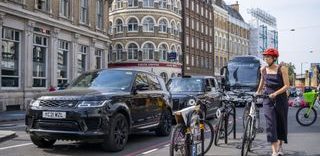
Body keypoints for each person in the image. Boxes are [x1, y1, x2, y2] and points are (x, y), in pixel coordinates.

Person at [256, 48, 290, 156]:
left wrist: (276, 93)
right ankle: (274, 151)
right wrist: (257, 92)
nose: (266, 58)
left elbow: (287, 85)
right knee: (271, 124)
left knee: (281, 122)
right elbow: (262, 81)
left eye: (268, 57)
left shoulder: (282, 69)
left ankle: (280, 146)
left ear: (274, 58)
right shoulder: (263, 69)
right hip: (268, 99)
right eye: (265, 56)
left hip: (281, 99)